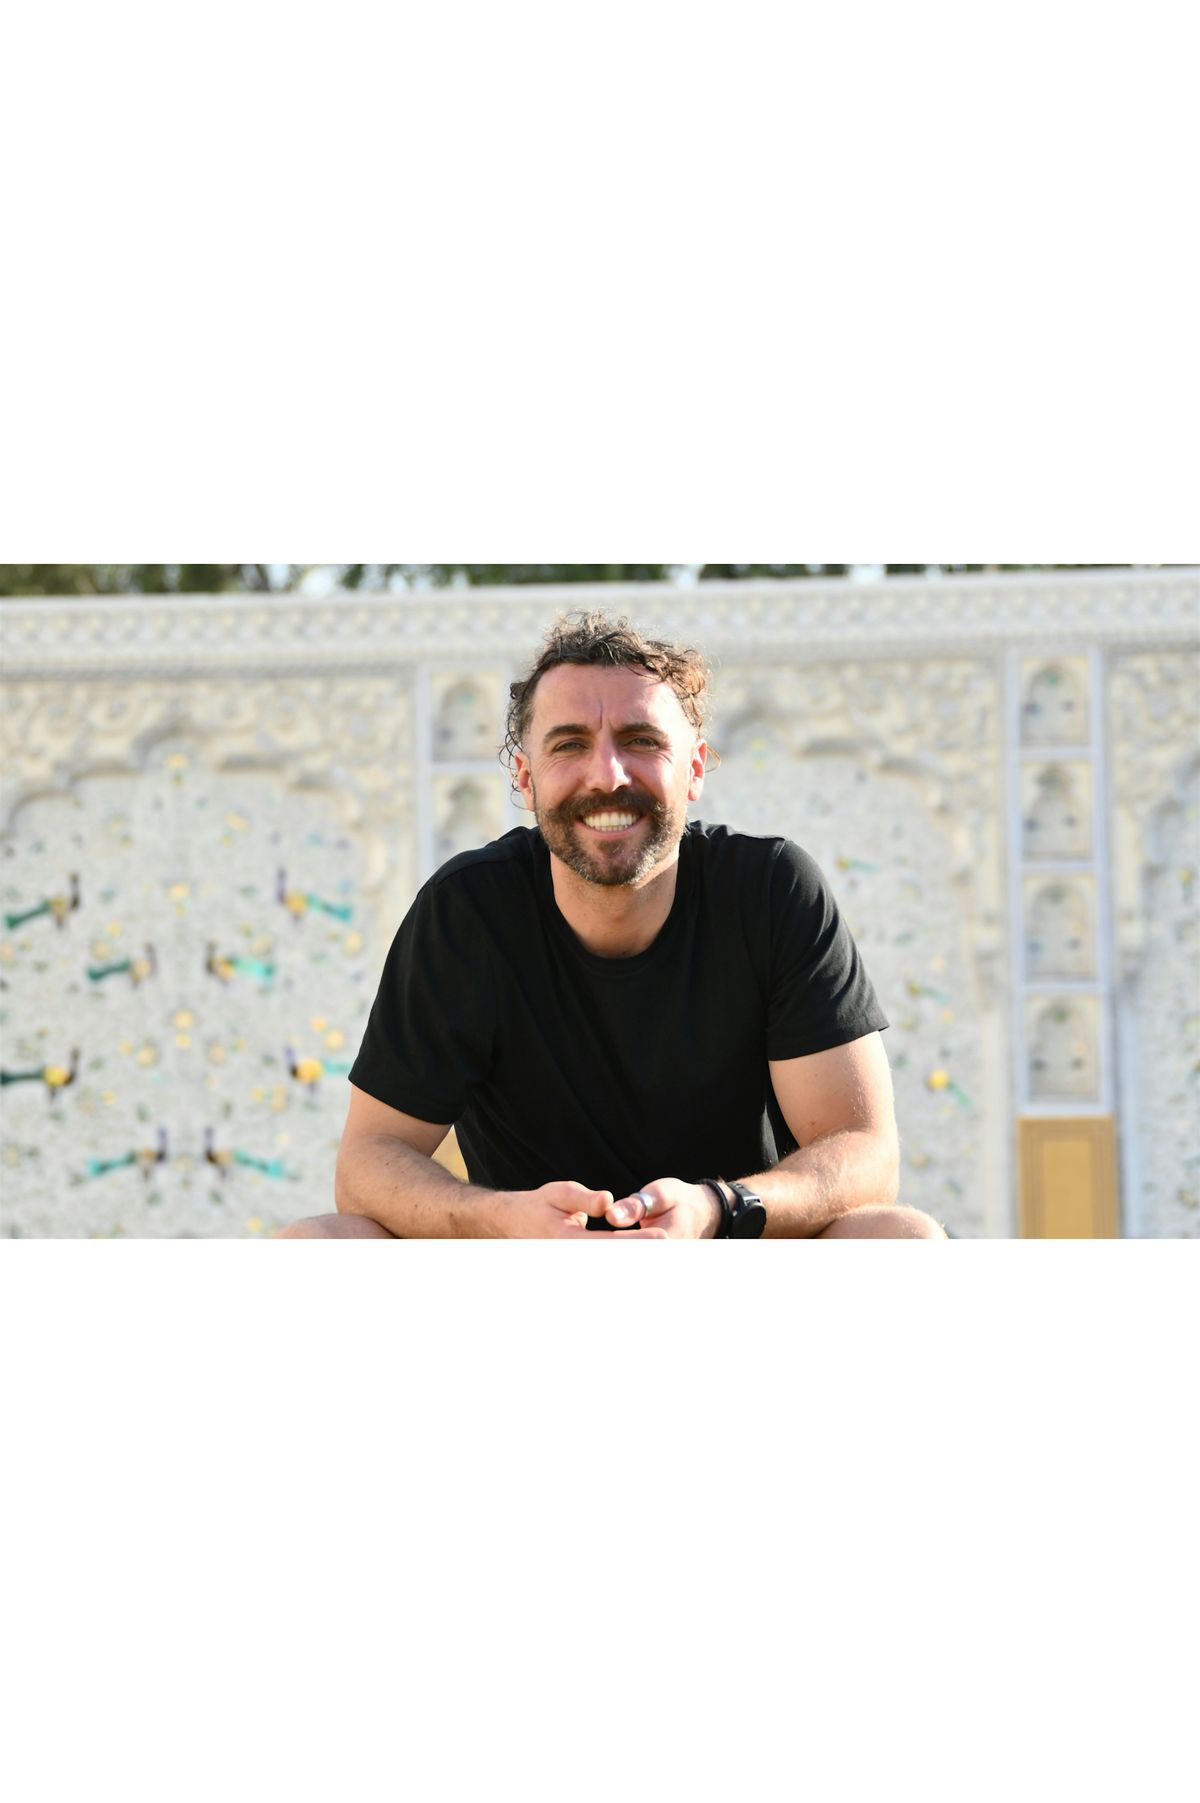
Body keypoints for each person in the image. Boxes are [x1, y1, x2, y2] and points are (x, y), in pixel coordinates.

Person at [280, 613, 945, 1240]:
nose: (608, 775)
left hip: (724, 1249)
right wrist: (501, 1219)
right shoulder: (466, 913)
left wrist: (718, 1206)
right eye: (570, 744)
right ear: (525, 777)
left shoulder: (772, 889)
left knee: (902, 1238)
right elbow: (367, 1162)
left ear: (694, 768)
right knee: (315, 1245)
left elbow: (864, 1152)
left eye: (641, 741)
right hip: (530, 1263)